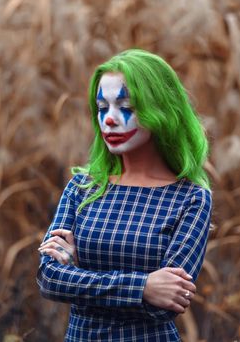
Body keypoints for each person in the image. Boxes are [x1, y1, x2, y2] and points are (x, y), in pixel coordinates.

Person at [36, 49, 212, 341]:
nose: (109, 120)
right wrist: (143, 287)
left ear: (161, 110)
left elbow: (167, 305)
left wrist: (79, 274)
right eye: (102, 108)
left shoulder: (191, 199)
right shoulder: (83, 188)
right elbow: (50, 279)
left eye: (125, 106)